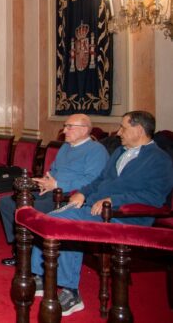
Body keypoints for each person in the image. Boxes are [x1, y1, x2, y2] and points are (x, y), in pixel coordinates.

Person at [31, 111, 173, 317]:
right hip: (96, 206)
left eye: (123, 127)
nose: (119, 132)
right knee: (47, 219)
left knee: (65, 225)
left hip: (125, 215)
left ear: (139, 130)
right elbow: (99, 181)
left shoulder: (159, 160)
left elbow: (154, 197)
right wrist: (83, 193)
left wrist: (113, 200)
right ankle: (42, 276)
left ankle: (71, 292)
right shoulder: (120, 152)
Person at [0, 113, 108, 266]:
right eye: (65, 126)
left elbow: (92, 181)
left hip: (69, 197)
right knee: (7, 202)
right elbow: (53, 169)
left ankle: (29, 253)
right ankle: (20, 248)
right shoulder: (65, 147)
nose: (64, 131)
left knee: (26, 208)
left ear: (84, 130)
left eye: (69, 127)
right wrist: (45, 181)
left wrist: (56, 184)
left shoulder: (96, 151)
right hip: (51, 191)